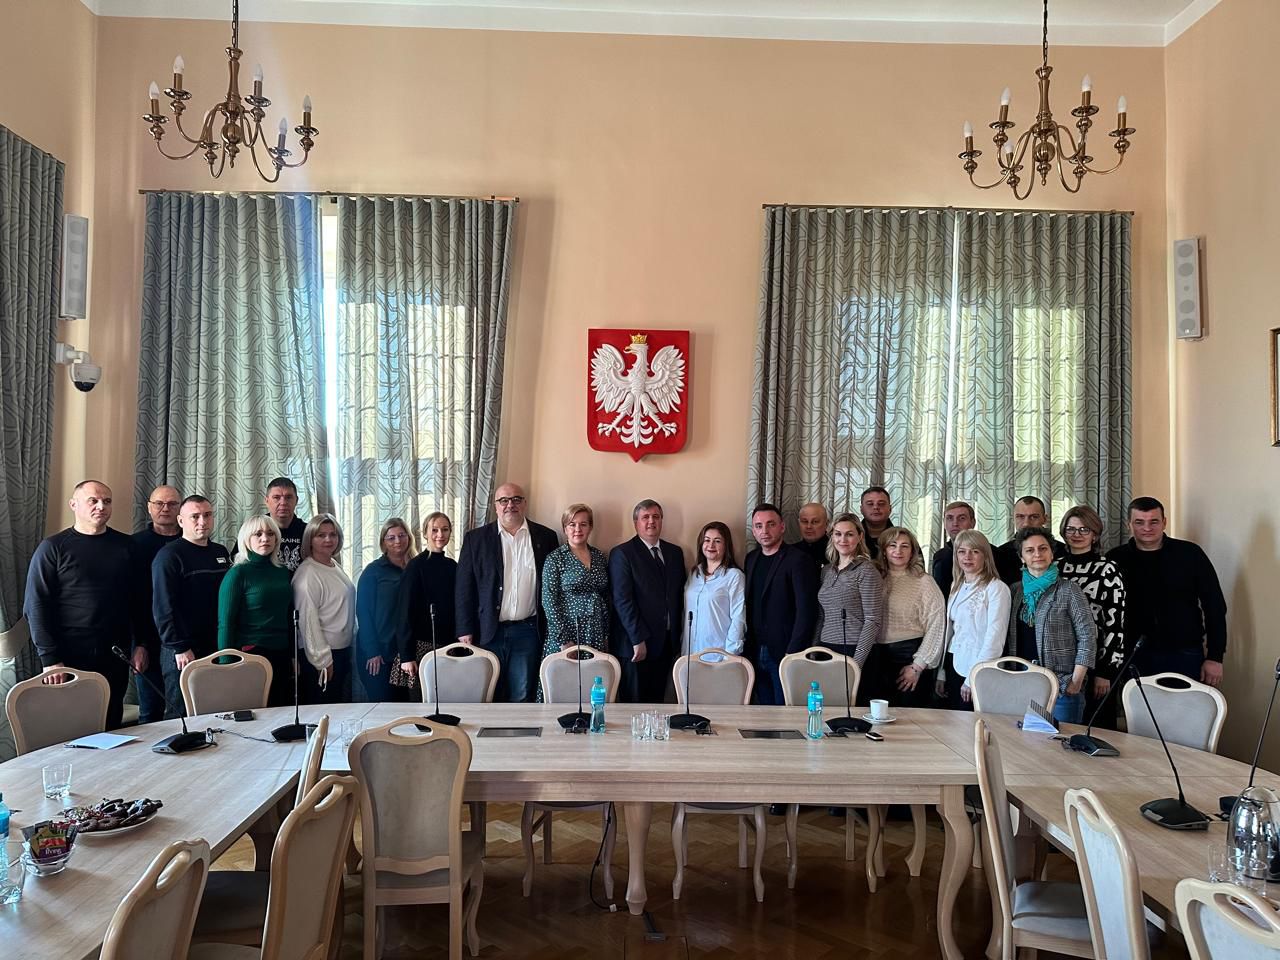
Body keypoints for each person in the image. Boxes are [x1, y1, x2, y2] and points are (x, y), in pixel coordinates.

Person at [24, 480, 146, 730]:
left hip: (115, 654)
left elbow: (140, 601)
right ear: (74, 504)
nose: (101, 506)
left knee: (110, 723)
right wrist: (50, 659)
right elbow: (35, 606)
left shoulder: (128, 546)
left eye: (107, 501)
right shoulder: (53, 548)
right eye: (93, 500)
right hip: (67, 656)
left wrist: (141, 644)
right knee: (69, 727)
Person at [455, 483, 560, 702]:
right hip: (488, 630)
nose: (510, 505)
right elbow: (464, 588)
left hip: (528, 631)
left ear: (525, 503)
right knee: (487, 693)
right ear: (496, 506)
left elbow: (552, 587)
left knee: (522, 694)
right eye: (504, 500)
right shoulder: (476, 539)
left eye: (516, 499)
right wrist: (465, 629)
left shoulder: (546, 537)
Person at [1106, 496, 1227, 686]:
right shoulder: (1115, 559)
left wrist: (1215, 656)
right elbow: (1106, 614)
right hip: (1133, 655)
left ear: (1164, 522)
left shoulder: (1190, 554)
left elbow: (1214, 606)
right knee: (1137, 706)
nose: (1147, 528)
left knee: (1184, 705)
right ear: (1129, 524)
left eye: (1154, 521)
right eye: (1139, 522)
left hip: (1185, 653)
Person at [1006, 526, 1096, 724]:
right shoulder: (1015, 591)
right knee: (1023, 741)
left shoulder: (1069, 589)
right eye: (1030, 550)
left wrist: (1076, 681)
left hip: (1061, 685)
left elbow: (1087, 636)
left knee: (1061, 742)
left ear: (1052, 553)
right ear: (1022, 557)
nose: (1037, 554)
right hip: (1021, 682)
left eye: (1043, 548)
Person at [152, 495, 231, 718]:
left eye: (207, 515)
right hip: (183, 651)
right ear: (181, 521)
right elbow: (163, 608)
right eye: (195, 516)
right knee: (181, 716)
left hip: (215, 647)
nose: (202, 521)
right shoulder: (169, 556)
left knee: (214, 712)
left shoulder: (220, 552)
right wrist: (179, 647)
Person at [609, 499, 686, 703]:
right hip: (636, 645)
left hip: (666, 644)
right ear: (636, 523)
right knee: (634, 706)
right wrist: (637, 639)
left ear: (661, 521)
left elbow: (678, 596)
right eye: (645, 517)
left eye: (656, 517)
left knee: (657, 705)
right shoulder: (622, 554)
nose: (651, 521)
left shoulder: (675, 553)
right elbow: (622, 600)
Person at [1058, 505, 1127, 729]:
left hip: (1097, 662)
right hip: (1062, 661)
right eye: (1071, 529)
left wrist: (1106, 672)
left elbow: (1115, 623)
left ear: (1095, 535)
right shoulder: (1055, 567)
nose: (1076, 535)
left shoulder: (1107, 569)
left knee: (1096, 727)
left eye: (1084, 529)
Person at [744, 503, 818, 705]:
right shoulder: (751, 559)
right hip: (755, 649)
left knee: (785, 711)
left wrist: (793, 652)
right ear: (753, 530)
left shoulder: (799, 560)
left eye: (771, 524)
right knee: (763, 711)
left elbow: (806, 611)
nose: (765, 531)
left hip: (784, 651)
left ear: (782, 527)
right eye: (758, 526)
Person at [217, 515, 294, 707]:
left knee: (282, 711)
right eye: (258, 534)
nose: (265, 538)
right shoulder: (237, 573)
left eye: (270, 534)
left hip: (282, 652)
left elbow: (289, 615)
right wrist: (226, 666)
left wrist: (294, 655)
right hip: (251, 653)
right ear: (246, 539)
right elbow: (226, 623)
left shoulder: (283, 572)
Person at [867, 527, 945, 709]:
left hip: (910, 658)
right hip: (877, 658)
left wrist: (917, 666)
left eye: (905, 546)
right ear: (884, 550)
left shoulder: (924, 582)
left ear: (912, 551)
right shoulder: (874, 577)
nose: (898, 551)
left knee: (908, 718)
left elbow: (937, 626)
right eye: (892, 545)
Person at [939, 530, 1010, 710]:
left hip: (978, 667)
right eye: (962, 551)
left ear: (985, 555)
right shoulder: (957, 585)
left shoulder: (997, 588)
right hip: (953, 661)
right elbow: (950, 631)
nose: (967, 557)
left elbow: (995, 638)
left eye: (975, 551)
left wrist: (973, 677)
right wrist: (941, 672)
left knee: (969, 722)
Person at [390, 512, 456, 698]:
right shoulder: (415, 566)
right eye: (434, 530)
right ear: (425, 533)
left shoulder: (452, 566)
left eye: (445, 529)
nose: (440, 535)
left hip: (447, 647)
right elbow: (404, 612)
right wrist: (407, 656)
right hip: (420, 650)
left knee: (449, 701)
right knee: (421, 705)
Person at [293, 514, 356, 704]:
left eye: (333, 534)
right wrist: (323, 660)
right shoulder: (307, 574)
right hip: (322, 656)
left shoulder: (333, 564)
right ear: (310, 539)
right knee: (323, 712)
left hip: (341, 651)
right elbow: (308, 623)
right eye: (321, 535)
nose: (328, 539)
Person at [132, 484, 182, 722]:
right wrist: (137, 644)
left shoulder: (192, 540)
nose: (165, 508)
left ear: (180, 509)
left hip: (182, 641)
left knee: (182, 713)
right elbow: (130, 599)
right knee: (150, 712)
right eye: (159, 504)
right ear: (149, 507)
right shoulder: (134, 545)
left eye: (172, 504)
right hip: (147, 639)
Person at [813, 514, 884, 673]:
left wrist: (856, 663)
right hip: (826, 649)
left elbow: (872, 620)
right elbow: (822, 616)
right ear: (832, 537)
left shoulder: (866, 570)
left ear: (860, 536)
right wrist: (814, 648)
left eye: (849, 534)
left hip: (854, 650)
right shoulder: (826, 571)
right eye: (838, 534)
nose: (843, 539)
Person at [355, 517, 415, 702]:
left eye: (402, 535)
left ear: (409, 537)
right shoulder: (373, 571)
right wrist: (372, 651)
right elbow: (363, 613)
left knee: (403, 706)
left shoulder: (415, 568)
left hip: (404, 653)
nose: (397, 541)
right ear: (383, 542)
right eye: (391, 537)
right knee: (382, 706)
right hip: (378, 654)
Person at [542, 504, 610, 657]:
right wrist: (564, 640)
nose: (577, 529)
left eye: (583, 524)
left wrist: (606, 634)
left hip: (596, 632)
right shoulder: (555, 559)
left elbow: (606, 597)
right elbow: (549, 602)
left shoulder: (599, 556)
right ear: (565, 528)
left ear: (590, 527)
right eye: (572, 524)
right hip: (567, 634)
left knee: (594, 672)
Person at [681, 521, 746, 655]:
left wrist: (729, 655)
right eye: (707, 540)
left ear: (726, 545)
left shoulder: (734, 576)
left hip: (718, 655)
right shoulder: (694, 573)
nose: (711, 545)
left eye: (717, 541)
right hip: (690, 654)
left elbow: (738, 618)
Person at [231, 477, 309, 573]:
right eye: (276, 497)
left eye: (288, 497)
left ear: (296, 500)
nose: (283, 502)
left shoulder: (308, 531)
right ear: (267, 501)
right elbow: (236, 563)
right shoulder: (253, 529)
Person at [995, 496, 1066, 584]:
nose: (1026, 523)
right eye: (1020, 517)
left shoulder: (1063, 551)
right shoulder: (1001, 554)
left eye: (1034, 517)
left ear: (1045, 519)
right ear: (1013, 519)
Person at [931, 501, 975, 599]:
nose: (955, 523)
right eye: (950, 518)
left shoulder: (990, 553)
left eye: (962, 518)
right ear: (944, 523)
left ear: (973, 522)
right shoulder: (939, 556)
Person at [859, 487, 893, 560]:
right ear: (861, 509)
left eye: (881, 504)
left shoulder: (902, 538)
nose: (876, 507)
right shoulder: (851, 537)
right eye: (870, 504)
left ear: (890, 509)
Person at [793, 502, 831, 567]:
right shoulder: (790, 551)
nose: (809, 526)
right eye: (805, 521)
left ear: (826, 524)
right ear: (799, 523)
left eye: (815, 522)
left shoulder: (836, 552)